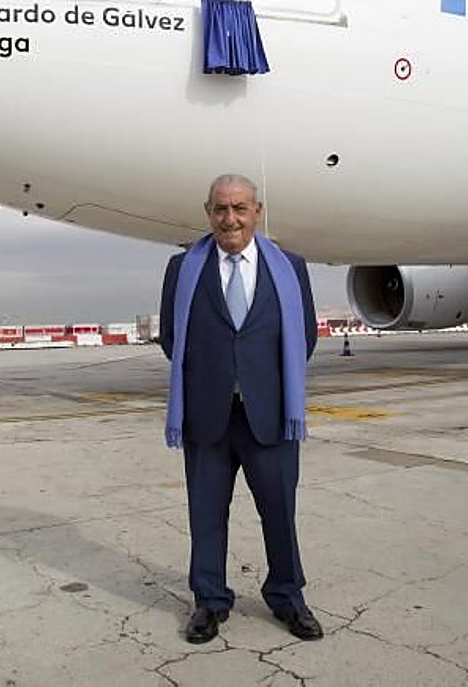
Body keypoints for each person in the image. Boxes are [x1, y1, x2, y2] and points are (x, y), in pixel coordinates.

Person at [159, 173, 322, 644]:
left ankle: (288, 597)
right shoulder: (182, 268)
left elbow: (303, 338)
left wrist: (262, 384)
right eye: (220, 209)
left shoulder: (290, 267)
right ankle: (209, 601)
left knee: (279, 514)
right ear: (208, 212)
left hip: (269, 416)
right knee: (206, 516)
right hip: (207, 417)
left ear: (257, 211)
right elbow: (174, 338)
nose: (230, 219)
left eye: (240, 209)